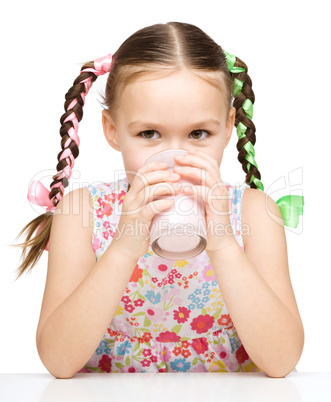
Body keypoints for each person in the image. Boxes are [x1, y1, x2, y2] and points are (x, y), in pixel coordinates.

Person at [13, 22, 305, 378]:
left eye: (199, 133)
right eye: (149, 134)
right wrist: (122, 248)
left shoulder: (254, 213)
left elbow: (282, 360)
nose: (176, 156)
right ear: (112, 130)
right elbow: (58, 362)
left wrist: (225, 244)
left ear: (228, 127)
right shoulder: (83, 214)